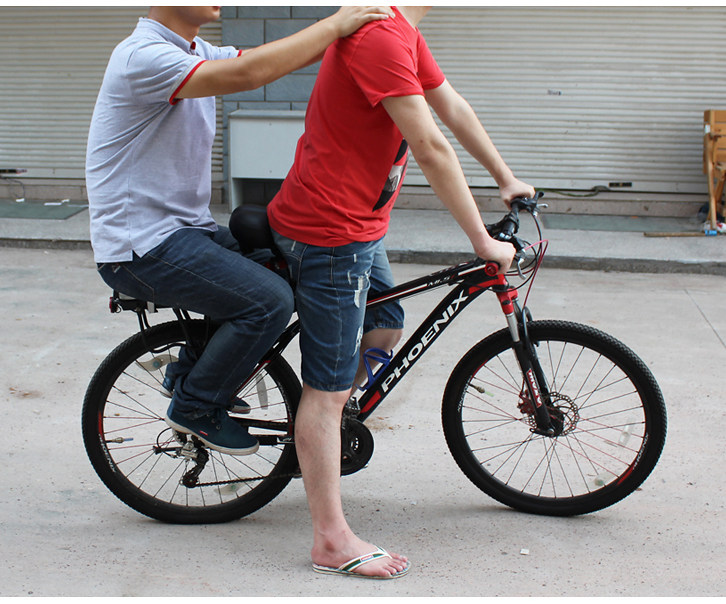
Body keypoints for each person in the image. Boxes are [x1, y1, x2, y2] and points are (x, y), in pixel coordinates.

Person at [267, 6, 535, 578]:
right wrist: (481, 240)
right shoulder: (381, 36)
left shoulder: (401, 30)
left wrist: (505, 177)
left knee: (386, 322)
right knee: (326, 392)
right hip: (330, 234)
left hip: (358, 227)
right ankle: (330, 539)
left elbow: (452, 107)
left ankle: (327, 427)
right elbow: (431, 144)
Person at [85, 6, 395, 456]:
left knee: (280, 266)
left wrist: (354, 35)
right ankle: (195, 405)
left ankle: (190, 370)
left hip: (184, 231)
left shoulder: (194, 50)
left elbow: (267, 58)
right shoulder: (143, 56)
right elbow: (250, 73)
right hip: (141, 246)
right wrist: (339, 23)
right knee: (269, 302)